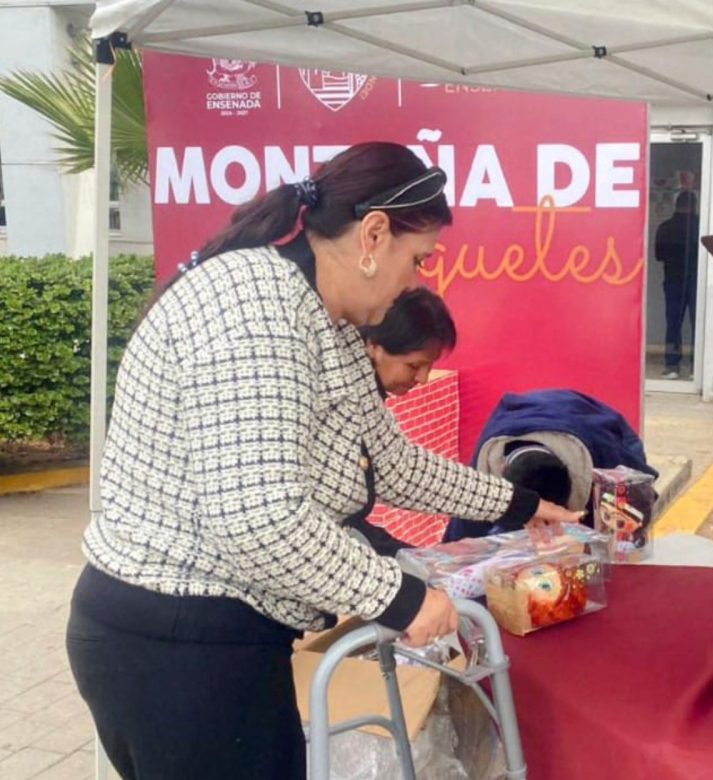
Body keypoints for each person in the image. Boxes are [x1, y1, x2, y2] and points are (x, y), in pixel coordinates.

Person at [65, 142, 580, 780]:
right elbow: (258, 519)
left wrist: (520, 504)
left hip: (218, 641)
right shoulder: (256, 312)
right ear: (373, 234)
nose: (416, 282)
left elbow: (389, 463)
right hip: (174, 645)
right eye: (418, 260)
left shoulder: (324, 321)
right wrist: (398, 597)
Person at [442, 389, 658, 541]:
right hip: (524, 417)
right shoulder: (486, 465)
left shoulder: (605, 455)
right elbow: (461, 540)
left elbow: (641, 501)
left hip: (585, 420)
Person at [344, 286, 460, 556]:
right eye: (413, 366)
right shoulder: (345, 397)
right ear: (374, 346)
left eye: (428, 367)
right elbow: (401, 473)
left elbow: (404, 470)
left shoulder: (367, 395)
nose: (422, 379)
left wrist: (517, 503)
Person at [654, 190, 700, 379]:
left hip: (673, 279)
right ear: (694, 206)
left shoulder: (666, 227)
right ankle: (696, 368)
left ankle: (672, 365)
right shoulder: (701, 226)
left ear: (676, 205)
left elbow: (659, 255)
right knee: (698, 322)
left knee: (673, 322)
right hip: (696, 279)